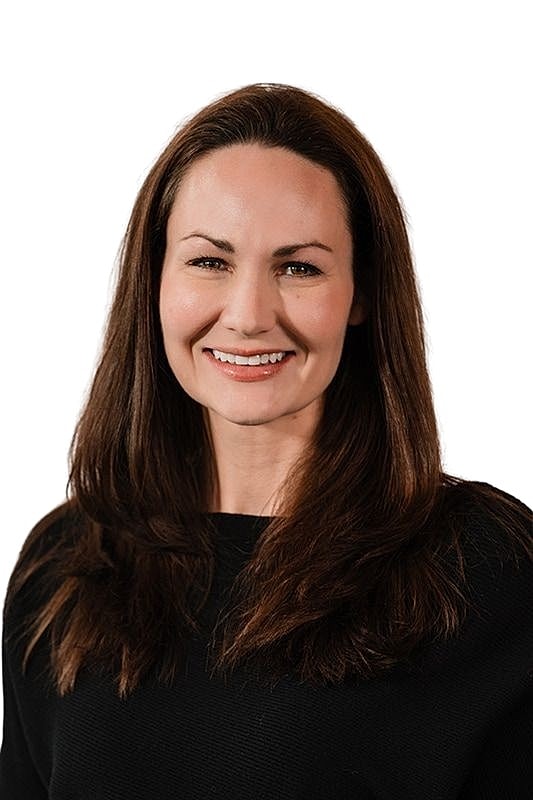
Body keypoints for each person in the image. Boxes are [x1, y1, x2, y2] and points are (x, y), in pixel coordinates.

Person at [1, 83, 531, 800]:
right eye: (209, 262)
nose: (248, 315)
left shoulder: (484, 569)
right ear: (152, 281)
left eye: (299, 267)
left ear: (362, 294)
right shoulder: (62, 567)